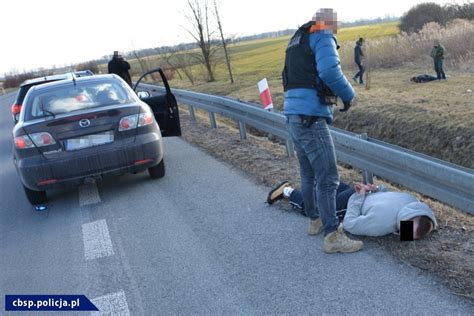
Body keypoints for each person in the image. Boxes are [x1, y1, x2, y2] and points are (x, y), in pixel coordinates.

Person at [282, 8, 361, 253]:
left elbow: (288, 75)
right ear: (329, 22)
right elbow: (329, 71)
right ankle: (332, 235)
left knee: (308, 173)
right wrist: (349, 95)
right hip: (311, 116)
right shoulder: (321, 33)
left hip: (294, 114)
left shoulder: (297, 37)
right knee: (328, 178)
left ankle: (315, 220)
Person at [267, 181, 437, 240]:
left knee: (331, 190)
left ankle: (314, 185)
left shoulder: (412, 201)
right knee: (316, 210)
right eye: (406, 232)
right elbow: (349, 223)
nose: (404, 236)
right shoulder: (382, 223)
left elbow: (385, 191)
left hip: (357, 191)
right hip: (351, 201)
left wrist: (373, 188)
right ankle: (287, 192)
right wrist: (359, 197)